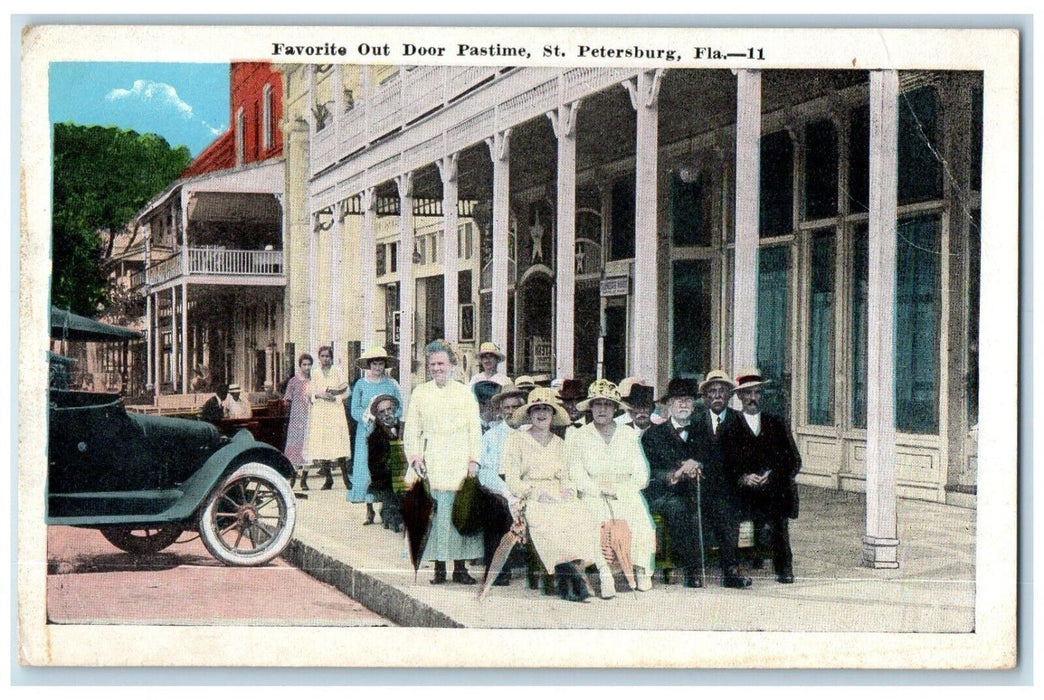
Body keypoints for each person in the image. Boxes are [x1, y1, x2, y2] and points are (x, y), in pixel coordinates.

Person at [503, 388, 601, 603]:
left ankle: (576, 572)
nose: (541, 414)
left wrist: (568, 489)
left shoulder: (560, 443)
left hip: (557, 492)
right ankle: (572, 580)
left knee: (581, 514)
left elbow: (566, 476)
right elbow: (512, 479)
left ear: (553, 414)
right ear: (529, 414)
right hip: (531, 494)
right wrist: (534, 493)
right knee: (547, 520)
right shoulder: (516, 440)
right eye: (536, 409)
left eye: (546, 409)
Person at [566, 379, 656, 598]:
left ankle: (642, 570)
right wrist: (597, 490)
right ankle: (605, 574)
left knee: (639, 518)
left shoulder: (629, 435)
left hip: (624, 490)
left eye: (607, 405)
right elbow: (576, 472)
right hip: (593, 491)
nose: (602, 409)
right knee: (598, 519)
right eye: (597, 404)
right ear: (590, 407)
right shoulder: (579, 436)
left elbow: (641, 473)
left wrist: (624, 490)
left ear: (615, 408)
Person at [403, 339, 484, 585]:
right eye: (432, 365)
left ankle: (460, 568)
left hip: (459, 458)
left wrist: (474, 460)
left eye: (441, 363)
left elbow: (474, 428)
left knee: (459, 512)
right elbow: (412, 428)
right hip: (434, 458)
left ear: (451, 364)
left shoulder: (464, 392)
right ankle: (439, 567)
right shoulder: (420, 392)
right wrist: (415, 455)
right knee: (436, 514)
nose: (437, 368)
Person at [719, 368, 802, 585]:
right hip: (741, 492)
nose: (752, 398)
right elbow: (722, 465)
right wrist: (743, 478)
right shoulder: (729, 427)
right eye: (747, 394)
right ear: (739, 397)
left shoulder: (776, 423)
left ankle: (784, 568)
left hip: (771, 490)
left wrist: (772, 475)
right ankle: (732, 570)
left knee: (778, 515)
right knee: (729, 513)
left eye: (756, 393)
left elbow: (794, 461)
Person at [689, 368, 752, 588]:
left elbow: (746, 456)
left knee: (727, 513)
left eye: (722, 391)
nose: (717, 395)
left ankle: (730, 571)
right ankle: (694, 570)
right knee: (695, 516)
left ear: (729, 395)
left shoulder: (738, 420)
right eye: (712, 391)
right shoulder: (695, 421)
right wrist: (692, 465)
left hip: (729, 486)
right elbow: (688, 453)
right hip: (700, 484)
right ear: (705, 397)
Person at [476, 382, 527, 585]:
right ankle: (498, 570)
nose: (511, 411)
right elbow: (485, 471)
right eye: (507, 407)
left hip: (525, 484)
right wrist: (506, 493)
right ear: (500, 410)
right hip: (500, 485)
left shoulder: (529, 432)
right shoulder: (492, 436)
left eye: (515, 407)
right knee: (495, 509)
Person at [349, 347, 402, 522]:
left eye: (381, 364)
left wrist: (390, 418)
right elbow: (354, 409)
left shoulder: (392, 384)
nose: (377, 367)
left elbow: (400, 406)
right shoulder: (361, 385)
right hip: (367, 432)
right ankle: (369, 509)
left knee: (385, 468)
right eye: (374, 364)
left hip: (386, 432)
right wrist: (367, 419)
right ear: (368, 365)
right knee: (367, 468)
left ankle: (386, 508)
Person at [304, 345, 351, 491]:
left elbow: (347, 391)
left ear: (331, 357)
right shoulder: (316, 373)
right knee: (323, 443)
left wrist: (336, 399)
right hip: (321, 411)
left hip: (335, 410)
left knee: (338, 442)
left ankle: (346, 479)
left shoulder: (337, 371)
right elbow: (310, 392)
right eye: (323, 356)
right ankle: (328, 479)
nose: (325, 359)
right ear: (319, 358)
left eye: (328, 356)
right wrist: (319, 395)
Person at [365, 393, 407, 533]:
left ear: (394, 409)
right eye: (382, 412)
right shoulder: (375, 436)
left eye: (389, 409)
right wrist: (386, 468)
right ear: (377, 415)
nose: (387, 414)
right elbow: (374, 463)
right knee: (391, 496)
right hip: (386, 475)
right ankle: (390, 516)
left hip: (405, 470)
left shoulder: (404, 428)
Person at [283, 354, 313, 489]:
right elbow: (287, 400)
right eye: (304, 364)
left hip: (311, 417)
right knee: (296, 447)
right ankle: (293, 477)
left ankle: (304, 479)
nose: (307, 367)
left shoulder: (314, 380)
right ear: (300, 366)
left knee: (309, 447)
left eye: (309, 364)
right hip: (297, 418)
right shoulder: (294, 381)